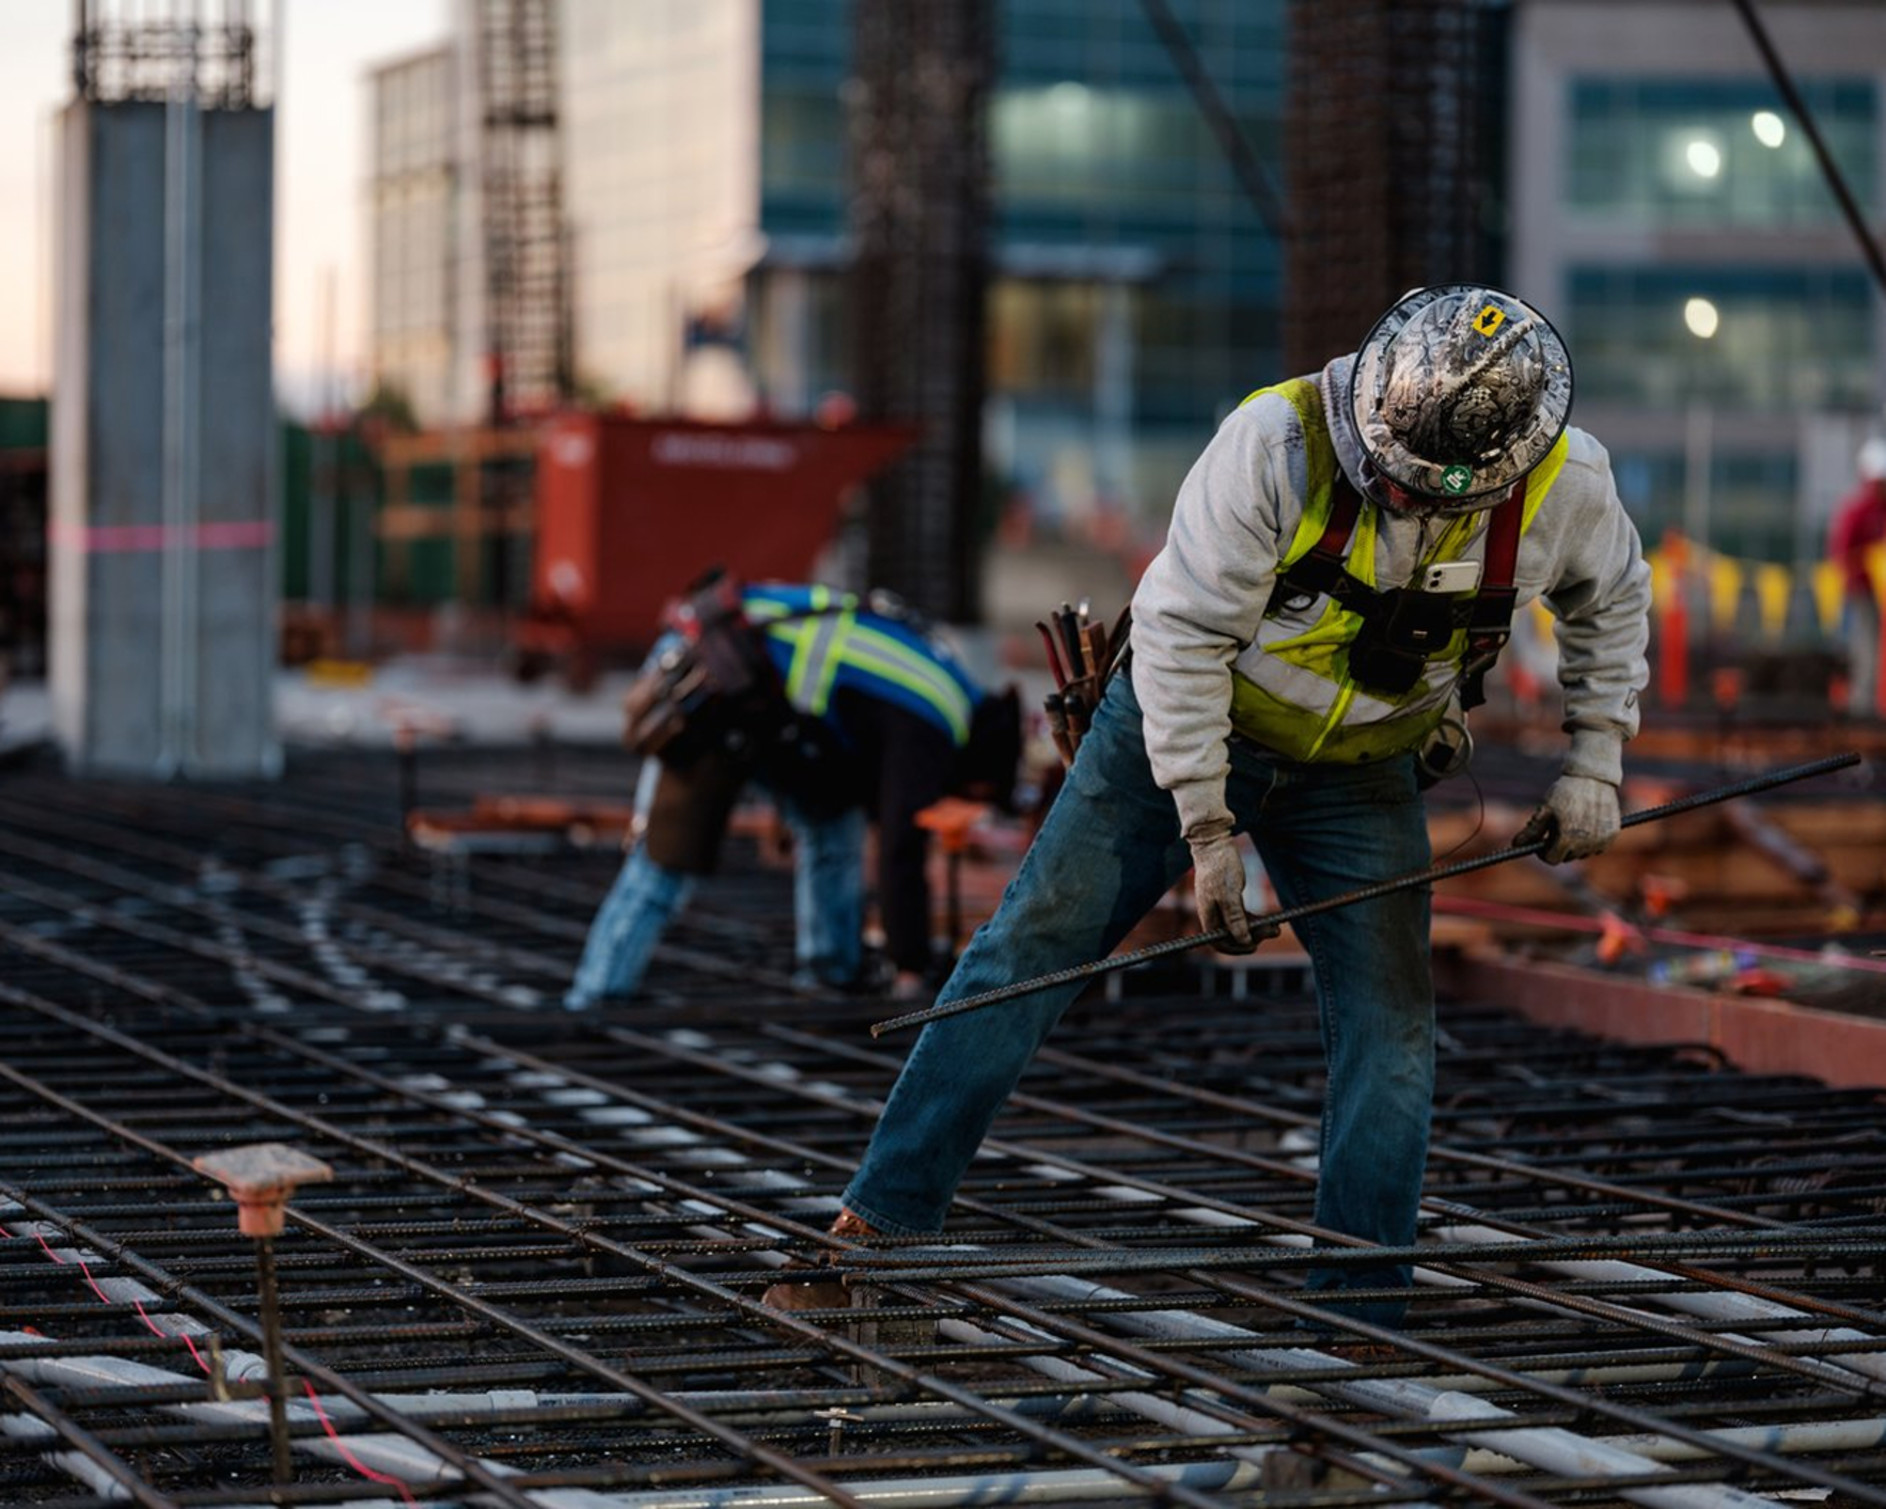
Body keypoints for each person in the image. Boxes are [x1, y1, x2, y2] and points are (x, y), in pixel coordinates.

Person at [765, 285, 1652, 1326]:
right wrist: (1207, 830)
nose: (1398, 503)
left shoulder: (1564, 484)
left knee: (1391, 1026)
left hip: (1359, 768)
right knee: (1023, 954)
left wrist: (1594, 761)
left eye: (1423, 498)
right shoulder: (1273, 445)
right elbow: (1182, 642)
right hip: (1176, 734)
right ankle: (880, 1229)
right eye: (1389, 483)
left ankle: (1360, 1310)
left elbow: (1611, 600)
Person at [564, 575, 1021, 1008]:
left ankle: (830, 974)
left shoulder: (946, 679)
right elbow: (901, 845)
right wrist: (911, 969)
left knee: (834, 817)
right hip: (711, 681)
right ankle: (596, 996)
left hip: (757, 696)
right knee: (667, 855)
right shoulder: (935, 722)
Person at [1827, 438, 1886, 717]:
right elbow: (1841, 556)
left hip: (1880, 592)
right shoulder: (1856, 510)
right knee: (1868, 651)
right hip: (1865, 593)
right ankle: (1863, 712)